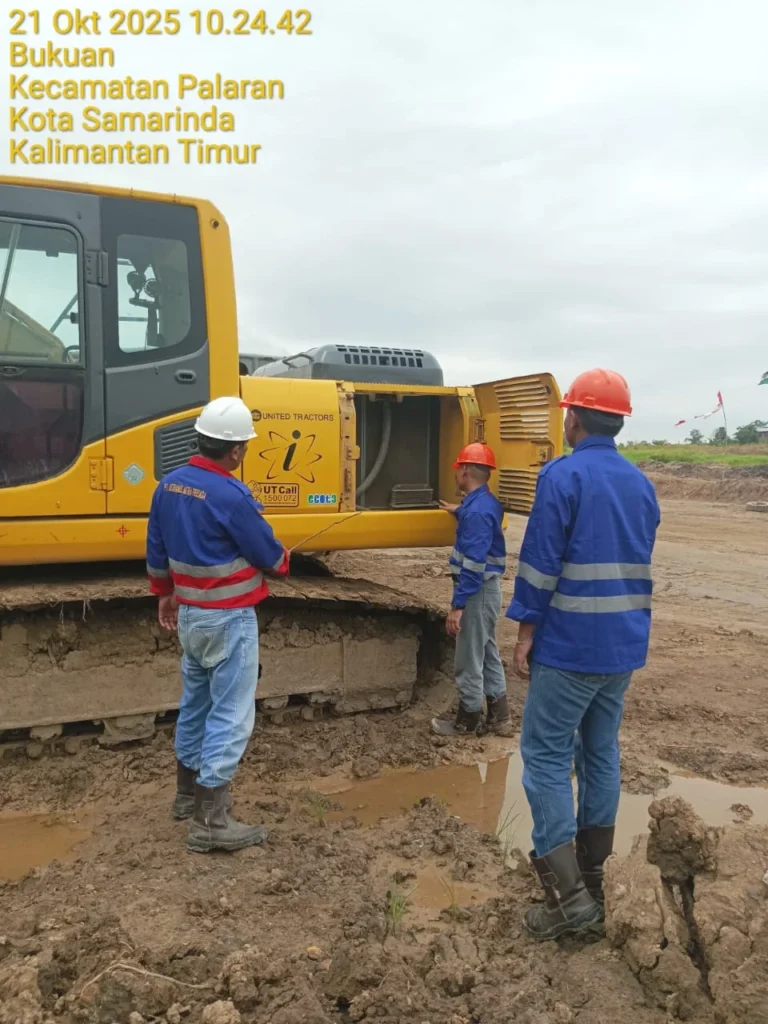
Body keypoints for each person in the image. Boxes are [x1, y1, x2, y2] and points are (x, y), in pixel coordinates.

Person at [505, 368, 661, 941]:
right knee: (600, 752)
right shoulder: (640, 484)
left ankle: (568, 900)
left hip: (570, 646)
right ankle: (593, 879)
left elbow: (540, 564)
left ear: (572, 417)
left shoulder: (562, 475)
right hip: (622, 647)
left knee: (545, 756)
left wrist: (525, 631)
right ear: (618, 422)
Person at [146, 396, 289, 854]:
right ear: (236, 450)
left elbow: (156, 546)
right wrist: (282, 560)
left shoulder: (168, 486)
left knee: (196, 705)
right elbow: (268, 554)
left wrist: (164, 593)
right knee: (231, 713)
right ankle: (211, 822)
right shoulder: (232, 494)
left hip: (189, 615)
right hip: (229, 619)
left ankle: (187, 796)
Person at [431, 442, 512, 738]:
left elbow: (474, 565)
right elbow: (476, 517)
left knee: (467, 659)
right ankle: (500, 718)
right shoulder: (484, 503)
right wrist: (460, 511)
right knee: (488, 653)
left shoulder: (476, 512)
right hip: (487, 591)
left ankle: (467, 721)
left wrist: (458, 606)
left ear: (465, 471)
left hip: (476, 592)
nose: (456, 475)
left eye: (458, 470)